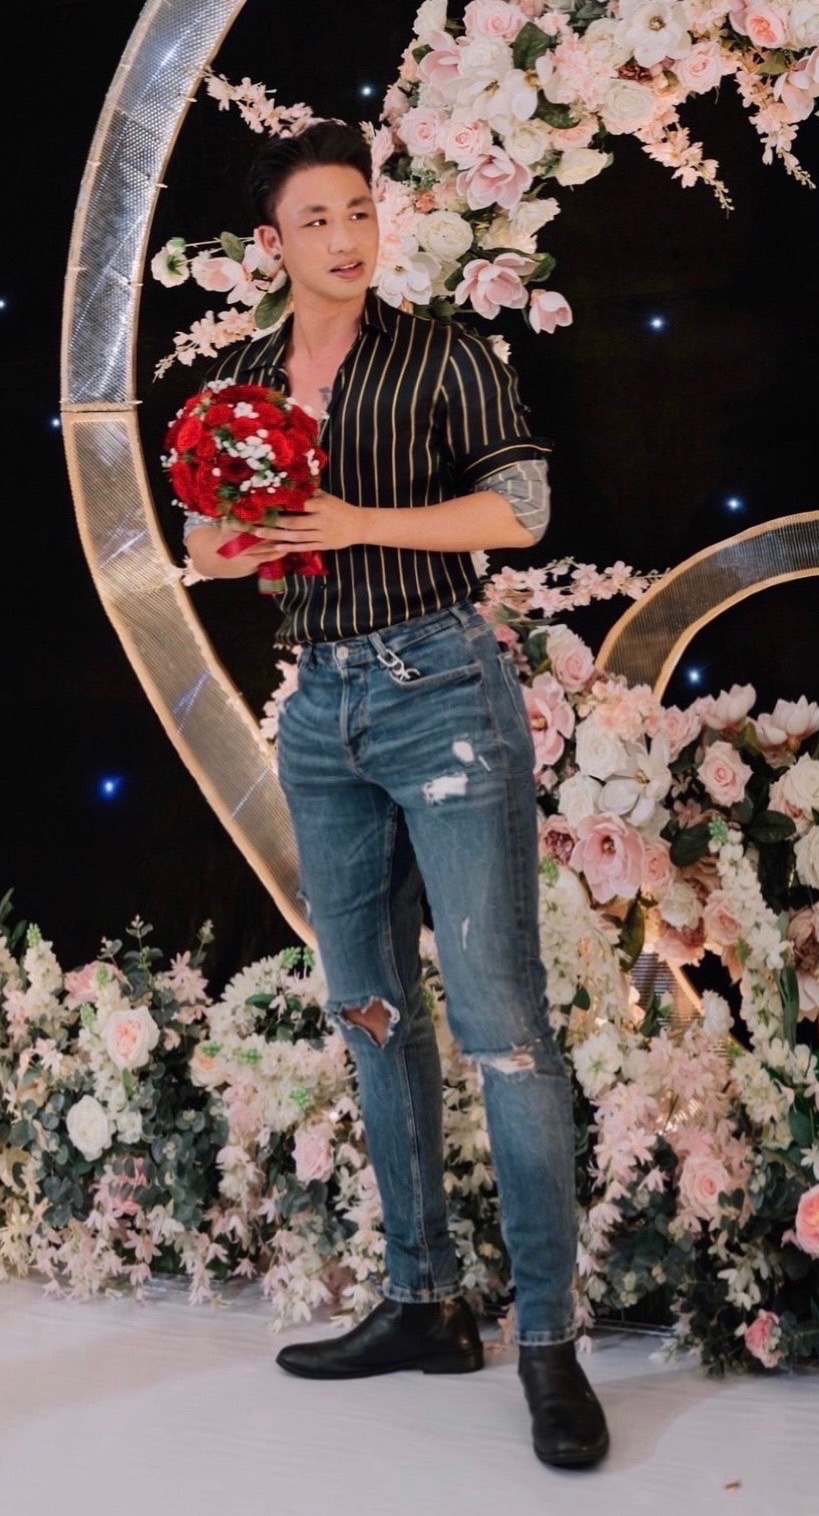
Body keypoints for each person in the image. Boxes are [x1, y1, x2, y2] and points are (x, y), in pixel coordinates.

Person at [185, 121, 609, 1471]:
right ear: (274, 245)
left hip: (443, 690)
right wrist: (242, 535)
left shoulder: (446, 354)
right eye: (317, 219)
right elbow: (206, 540)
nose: (347, 236)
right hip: (319, 710)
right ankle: (424, 1303)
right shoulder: (242, 381)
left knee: (501, 1023)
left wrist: (354, 520)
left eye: (360, 211)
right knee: (370, 1010)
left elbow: (522, 512)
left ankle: (549, 1341)